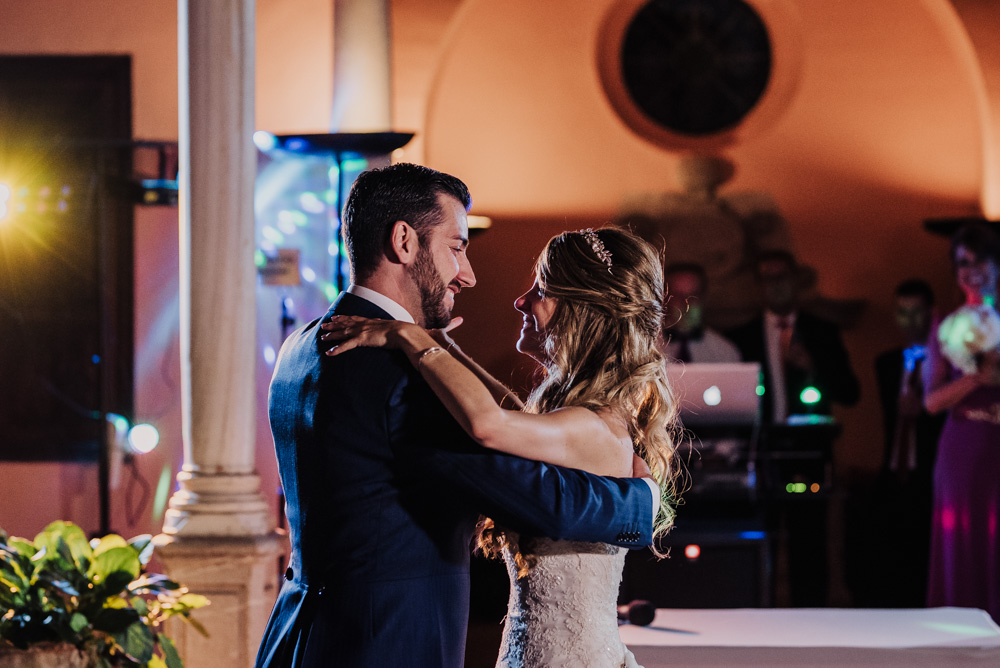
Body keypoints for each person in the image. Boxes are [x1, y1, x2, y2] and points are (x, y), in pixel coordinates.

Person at [253, 165, 659, 668]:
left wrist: (436, 347)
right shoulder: (400, 377)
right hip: (384, 647)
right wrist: (641, 504)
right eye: (457, 247)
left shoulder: (301, 347)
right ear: (404, 241)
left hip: (299, 639)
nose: (467, 275)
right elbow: (545, 496)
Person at [321, 227, 679, 668]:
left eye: (542, 289)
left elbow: (489, 425)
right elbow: (515, 419)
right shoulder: (579, 419)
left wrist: (408, 337)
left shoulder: (594, 426)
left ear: (583, 309)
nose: (521, 301)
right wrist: (440, 343)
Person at [852, 279, 945, 607]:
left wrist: (925, 408)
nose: (910, 321)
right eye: (902, 312)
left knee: (926, 556)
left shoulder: (947, 364)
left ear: (932, 314)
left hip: (931, 473)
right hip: (894, 472)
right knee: (885, 555)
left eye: (917, 312)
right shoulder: (888, 363)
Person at [924, 223, 1000, 622]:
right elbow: (932, 402)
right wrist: (976, 378)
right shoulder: (947, 326)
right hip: (964, 445)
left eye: (980, 260)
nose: (971, 270)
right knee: (964, 540)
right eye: (962, 263)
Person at [726, 250, 860, 423]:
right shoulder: (741, 338)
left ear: (795, 280)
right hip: (761, 442)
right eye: (768, 279)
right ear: (758, 285)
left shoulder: (823, 331)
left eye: (782, 277)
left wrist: (813, 367)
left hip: (810, 440)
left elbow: (850, 394)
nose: (776, 285)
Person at [659, 262, 740, 364]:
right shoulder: (648, 348)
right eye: (677, 296)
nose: (686, 305)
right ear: (665, 298)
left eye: (693, 297)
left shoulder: (724, 351)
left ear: (703, 299)